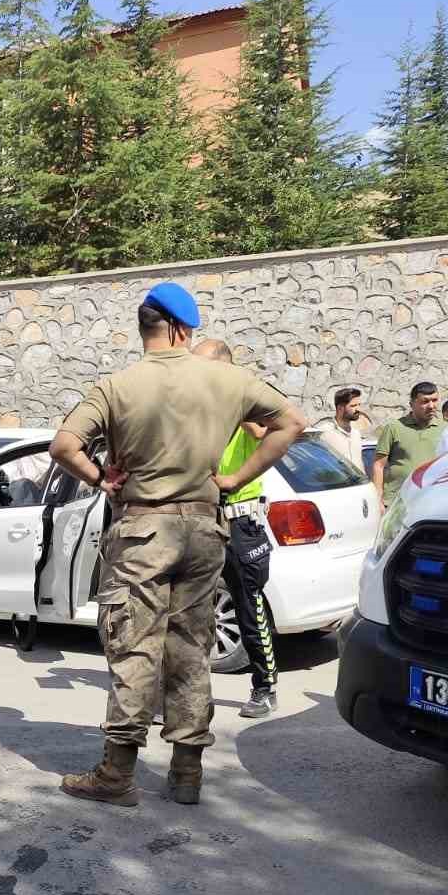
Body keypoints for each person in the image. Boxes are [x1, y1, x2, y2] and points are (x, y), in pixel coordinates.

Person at [49, 283, 306, 808]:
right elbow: (292, 425)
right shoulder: (229, 379)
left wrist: (101, 478)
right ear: (184, 329)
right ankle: (187, 774)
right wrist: (235, 477)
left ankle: (117, 775)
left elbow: (63, 446)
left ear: (146, 327)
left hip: (143, 531)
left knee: (134, 648)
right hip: (205, 530)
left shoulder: (117, 386)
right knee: (191, 649)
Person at [196, 339, 278, 720]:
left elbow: (266, 432)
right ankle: (185, 694)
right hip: (201, 519)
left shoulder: (247, 405)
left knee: (249, 604)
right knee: (189, 607)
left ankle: (264, 688)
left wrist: (234, 402)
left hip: (241, 522)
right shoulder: (198, 409)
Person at [372, 383, 442, 508]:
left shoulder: (445, 429)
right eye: (425, 401)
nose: (431, 406)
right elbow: (379, 465)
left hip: (432, 501)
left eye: (434, 400)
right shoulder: (394, 428)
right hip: (396, 503)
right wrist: (378, 499)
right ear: (412, 404)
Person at [313, 388, 368, 472]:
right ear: (340, 408)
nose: (358, 409)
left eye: (359, 405)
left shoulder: (356, 433)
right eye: (353, 406)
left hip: (359, 483)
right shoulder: (324, 432)